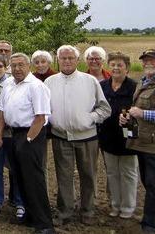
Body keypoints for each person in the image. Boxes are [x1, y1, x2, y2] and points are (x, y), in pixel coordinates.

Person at [45, 45, 111, 226]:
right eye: (63, 58)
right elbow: (43, 107)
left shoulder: (90, 81)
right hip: (61, 137)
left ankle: (88, 210)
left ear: (77, 60)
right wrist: (52, 119)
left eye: (70, 58)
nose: (67, 61)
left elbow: (104, 108)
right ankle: (65, 211)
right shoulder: (50, 82)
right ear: (58, 60)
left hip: (87, 137)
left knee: (88, 175)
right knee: (63, 176)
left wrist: (89, 119)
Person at [0, 53, 54, 234]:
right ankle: (29, 216)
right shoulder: (9, 84)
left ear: (28, 66)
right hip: (13, 134)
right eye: (14, 65)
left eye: (21, 65)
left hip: (31, 135)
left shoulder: (36, 86)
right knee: (20, 177)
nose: (17, 69)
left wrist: (28, 140)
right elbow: (2, 113)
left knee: (34, 179)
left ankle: (44, 224)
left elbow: (40, 117)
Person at [99, 52, 138, 219]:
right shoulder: (103, 86)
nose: (115, 68)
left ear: (127, 69)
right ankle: (115, 205)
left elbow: (139, 110)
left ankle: (128, 208)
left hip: (128, 138)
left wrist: (130, 116)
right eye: (113, 64)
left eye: (119, 65)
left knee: (128, 173)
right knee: (112, 173)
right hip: (107, 137)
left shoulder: (134, 87)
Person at [0, 53, 24, 221]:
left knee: (16, 167)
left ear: (5, 66)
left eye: (0, 66)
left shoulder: (13, 83)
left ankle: (18, 200)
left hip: (12, 132)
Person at [121, 49, 155, 233]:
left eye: (151, 60)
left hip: (153, 144)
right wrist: (127, 118)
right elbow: (137, 108)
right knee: (147, 183)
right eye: (145, 60)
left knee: (153, 185)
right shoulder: (144, 81)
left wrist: (143, 113)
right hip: (141, 141)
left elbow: (142, 111)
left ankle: (150, 224)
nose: (147, 63)